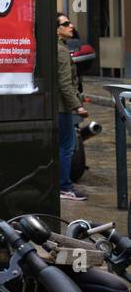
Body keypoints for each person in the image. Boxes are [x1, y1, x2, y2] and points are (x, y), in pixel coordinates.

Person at [57, 13, 88, 202]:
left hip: (61, 106)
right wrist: (77, 107)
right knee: (67, 146)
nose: (71, 26)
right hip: (62, 108)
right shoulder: (60, 51)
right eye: (66, 23)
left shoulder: (61, 48)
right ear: (56, 29)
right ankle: (65, 187)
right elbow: (65, 83)